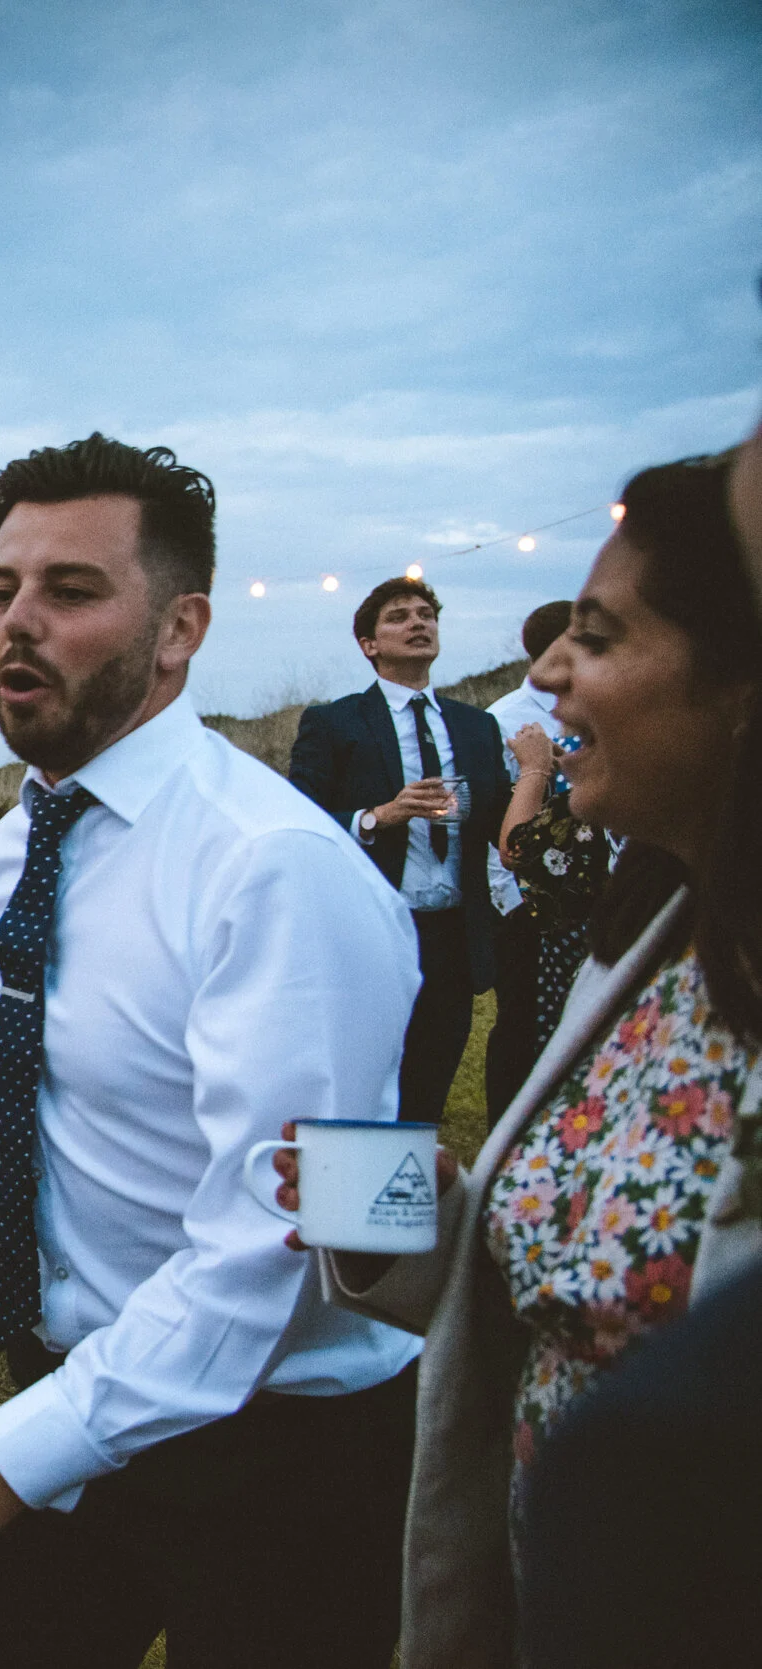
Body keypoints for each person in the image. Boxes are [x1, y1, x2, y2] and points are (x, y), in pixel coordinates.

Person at [0, 434, 426, 1669]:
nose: (15, 623)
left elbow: (278, 1236)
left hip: (284, 1442)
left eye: (69, 591)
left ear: (179, 628)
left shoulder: (272, 869)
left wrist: (12, 1451)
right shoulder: (8, 853)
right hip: (89, 1391)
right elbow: (14, 1079)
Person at [302, 453, 759, 1667]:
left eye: (596, 636)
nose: (545, 669)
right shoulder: (647, 945)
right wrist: (386, 1224)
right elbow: (559, 1282)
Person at [290, 577, 514, 1125]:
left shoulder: (476, 725)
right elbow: (297, 823)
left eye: (426, 614)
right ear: (369, 644)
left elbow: (502, 823)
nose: (418, 623)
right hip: (372, 931)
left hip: (452, 937)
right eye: (398, 617)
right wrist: (378, 817)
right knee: (364, 1090)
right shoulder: (334, 723)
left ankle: (414, 1203)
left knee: (428, 1094)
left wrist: (537, 774)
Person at [482, 601, 591, 1113]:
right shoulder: (503, 720)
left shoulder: (601, 713)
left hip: (591, 898)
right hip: (524, 898)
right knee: (522, 1024)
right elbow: (501, 831)